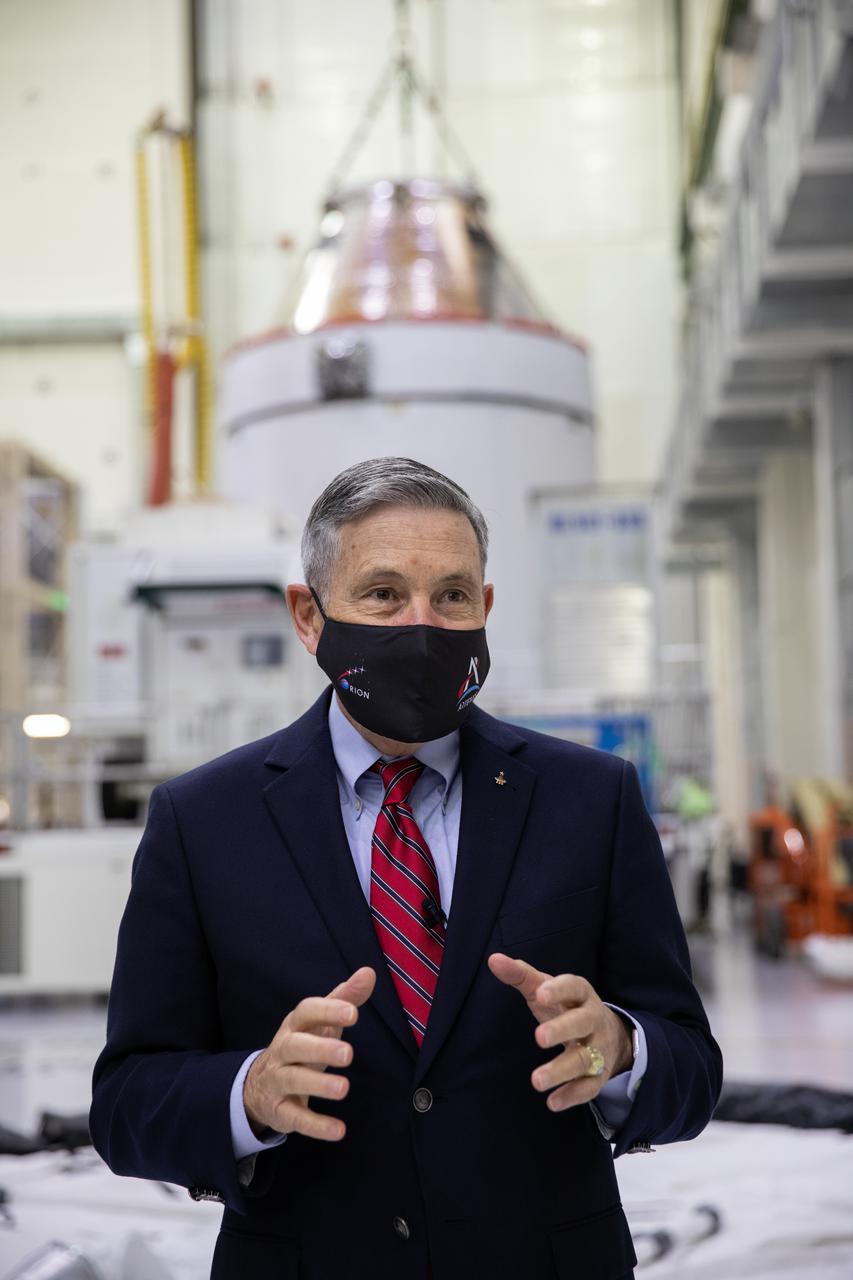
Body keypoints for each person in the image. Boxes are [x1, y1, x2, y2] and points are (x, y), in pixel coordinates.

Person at [89, 456, 722, 1280]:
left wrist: (622, 1049)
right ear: (308, 616)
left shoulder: (589, 799)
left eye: (451, 596)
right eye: (383, 594)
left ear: (484, 607)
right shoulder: (203, 821)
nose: (422, 629)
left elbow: (690, 1066)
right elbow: (127, 1103)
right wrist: (250, 1092)